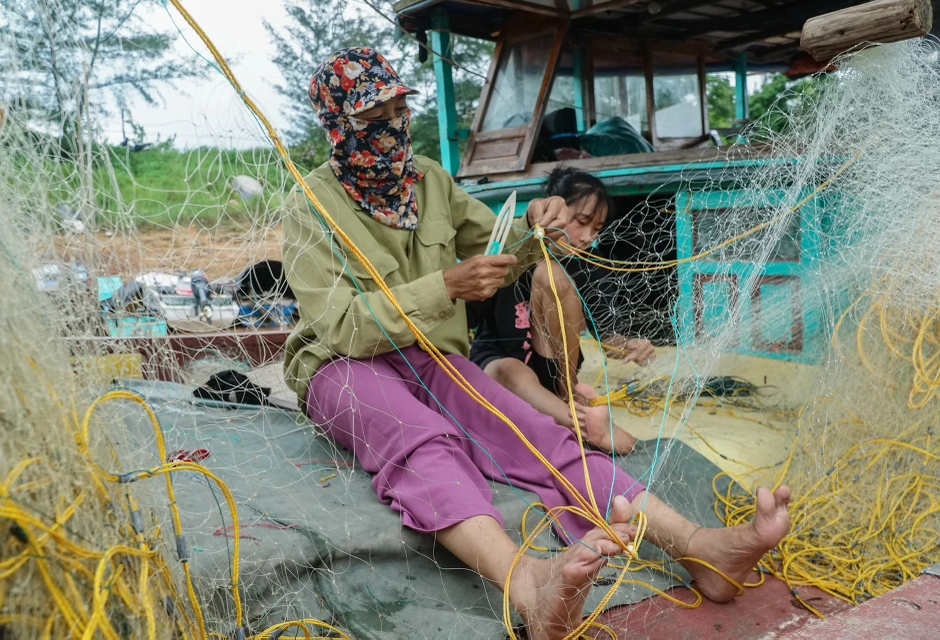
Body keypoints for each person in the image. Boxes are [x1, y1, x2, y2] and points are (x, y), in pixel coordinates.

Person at [283, 47, 791, 639]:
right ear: (338, 126)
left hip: (430, 354)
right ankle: (528, 586)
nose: (394, 129)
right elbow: (342, 325)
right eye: (376, 119)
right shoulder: (307, 205)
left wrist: (537, 220)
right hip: (340, 365)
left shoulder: (431, 181)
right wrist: (444, 284)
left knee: (534, 431)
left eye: (401, 110)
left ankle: (700, 548)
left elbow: (506, 243)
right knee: (425, 442)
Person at [469, 167, 654, 455]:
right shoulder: (510, 250)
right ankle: (583, 425)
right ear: (553, 209)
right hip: (499, 366)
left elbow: (609, 340)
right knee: (511, 370)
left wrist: (631, 346)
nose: (588, 237)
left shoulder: (592, 267)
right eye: (582, 222)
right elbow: (465, 318)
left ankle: (566, 398)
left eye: (597, 229)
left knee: (551, 275)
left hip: (555, 374)